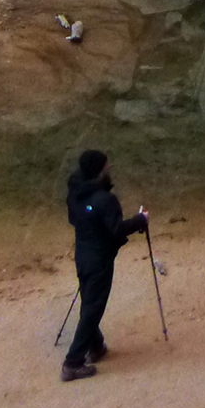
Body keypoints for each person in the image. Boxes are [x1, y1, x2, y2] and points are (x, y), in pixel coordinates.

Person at [60, 149, 149, 383]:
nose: (109, 169)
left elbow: (74, 219)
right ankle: (72, 363)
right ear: (99, 171)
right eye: (106, 167)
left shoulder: (75, 194)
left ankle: (96, 346)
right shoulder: (105, 200)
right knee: (93, 308)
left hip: (82, 256)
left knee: (90, 302)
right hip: (99, 260)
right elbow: (117, 229)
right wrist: (141, 221)